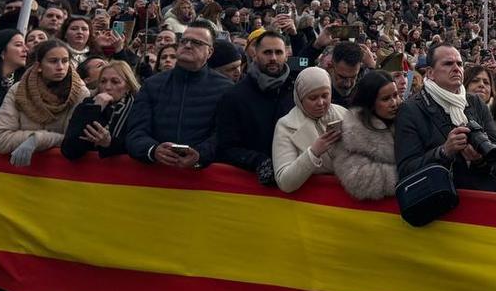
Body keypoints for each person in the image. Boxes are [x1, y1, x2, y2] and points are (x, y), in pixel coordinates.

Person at [394, 42, 496, 192]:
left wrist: (480, 159)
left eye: (459, 64)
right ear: (430, 73)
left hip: (483, 198)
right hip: (441, 202)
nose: (456, 68)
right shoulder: (411, 109)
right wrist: (444, 152)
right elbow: (406, 171)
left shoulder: (476, 103)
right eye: (448, 64)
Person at [125, 20, 232, 168]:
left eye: (196, 42)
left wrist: (200, 155)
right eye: (184, 41)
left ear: (210, 52)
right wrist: (153, 150)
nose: (188, 45)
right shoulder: (152, 85)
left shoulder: (225, 88)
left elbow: (224, 135)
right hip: (153, 181)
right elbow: (135, 131)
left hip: (203, 183)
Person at [0, 39, 88, 165]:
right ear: (39, 66)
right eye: (53, 61)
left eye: (65, 61)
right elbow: (1, 139)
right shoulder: (19, 89)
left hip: (59, 172)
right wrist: (35, 138)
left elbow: (72, 141)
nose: (60, 67)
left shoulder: (80, 93)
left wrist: (37, 140)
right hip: (19, 172)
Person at [216, 31, 296, 183]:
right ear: (255, 54)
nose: (273, 58)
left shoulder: (297, 93)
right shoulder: (234, 96)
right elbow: (225, 147)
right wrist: (257, 161)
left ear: (286, 55)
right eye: (267, 52)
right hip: (248, 187)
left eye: (278, 52)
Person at [272, 67, 346, 192]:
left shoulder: (343, 114)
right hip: (310, 202)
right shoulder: (286, 126)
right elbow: (284, 182)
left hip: (344, 201)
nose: (321, 102)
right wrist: (313, 153)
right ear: (300, 99)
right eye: (313, 98)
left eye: (325, 95)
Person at [334, 70, 401, 200]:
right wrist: (407, 174)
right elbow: (359, 180)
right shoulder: (352, 135)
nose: (394, 103)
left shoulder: (406, 120)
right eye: (386, 99)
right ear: (370, 102)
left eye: (395, 95)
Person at [61, 60, 140, 159]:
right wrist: (95, 108)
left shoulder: (138, 108)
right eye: (103, 81)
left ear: (128, 86)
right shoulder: (87, 105)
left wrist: (109, 143)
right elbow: (69, 150)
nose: (107, 87)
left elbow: (136, 145)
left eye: (115, 82)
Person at [329, 40, 364, 106]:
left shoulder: (364, 87)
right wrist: (315, 48)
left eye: (353, 77)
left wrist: (373, 69)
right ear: (331, 65)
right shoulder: (318, 88)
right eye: (342, 77)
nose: (348, 84)